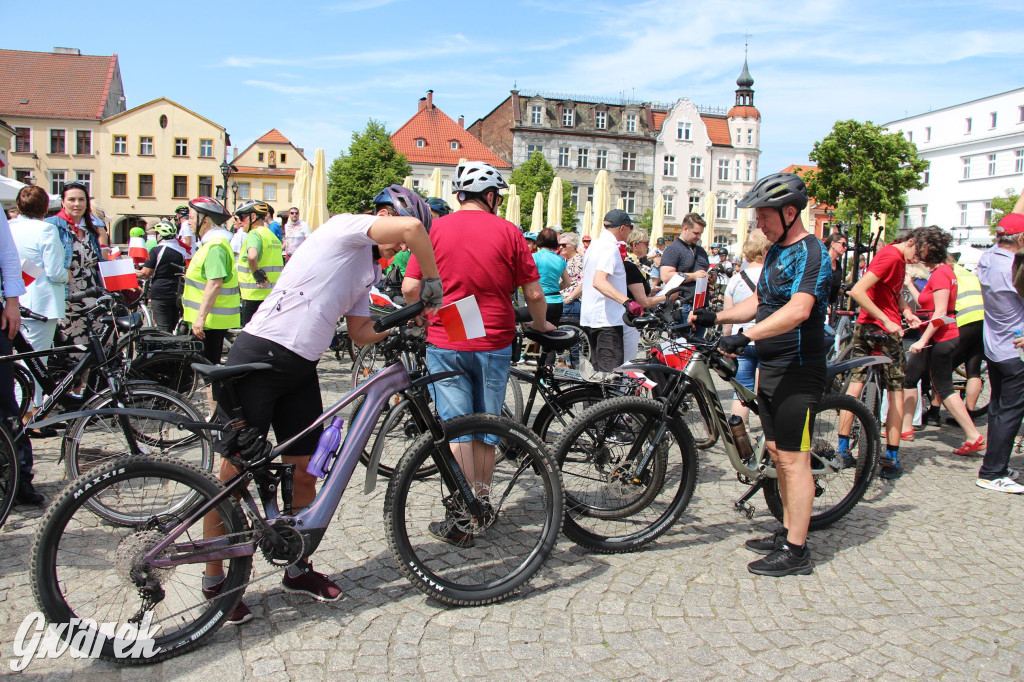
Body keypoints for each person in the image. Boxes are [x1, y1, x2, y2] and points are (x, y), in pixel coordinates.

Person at [204, 184, 442, 623]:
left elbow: (360, 334)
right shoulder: (345, 228)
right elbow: (411, 229)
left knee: (305, 468)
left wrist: (407, 323)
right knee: (232, 476)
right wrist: (432, 283)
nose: (398, 254)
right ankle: (216, 580)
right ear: (387, 215)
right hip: (259, 356)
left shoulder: (364, 269)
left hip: (300, 367)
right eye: (398, 245)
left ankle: (297, 566)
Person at [403, 161, 554, 546]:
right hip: (494, 337)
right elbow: (534, 294)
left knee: (456, 424)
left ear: (458, 195)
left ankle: (463, 512)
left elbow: (408, 288)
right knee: (488, 424)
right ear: (490, 196)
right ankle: (482, 505)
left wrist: (426, 315)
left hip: (448, 334)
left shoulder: (433, 229)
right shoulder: (509, 231)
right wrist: (540, 325)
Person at [691, 173, 832, 577]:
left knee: (793, 460)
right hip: (770, 368)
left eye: (764, 217)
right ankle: (788, 529)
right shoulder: (774, 252)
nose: (759, 225)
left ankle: (797, 551)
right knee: (777, 453)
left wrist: (746, 336)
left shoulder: (813, 252)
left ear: (790, 212)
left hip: (799, 369)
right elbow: (760, 301)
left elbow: (799, 309)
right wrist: (717, 315)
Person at [843, 231, 922, 479]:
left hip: (869, 325)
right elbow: (857, 291)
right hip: (880, 327)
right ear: (911, 241)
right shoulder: (891, 257)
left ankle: (843, 450)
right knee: (896, 390)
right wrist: (888, 320)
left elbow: (891, 290)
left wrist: (906, 311)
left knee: (856, 382)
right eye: (917, 253)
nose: (916, 259)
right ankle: (892, 456)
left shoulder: (893, 257)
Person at [901, 230, 983, 457]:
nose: (917, 251)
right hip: (936, 336)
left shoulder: (942, 274)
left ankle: (973, 435)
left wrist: (923, 340)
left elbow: (940, 313)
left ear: (930, 250)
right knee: (910, 378)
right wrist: (909, 286)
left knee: (944, 387)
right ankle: (906, 428)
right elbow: (926, 304)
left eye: (921, 247)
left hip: (941, 338)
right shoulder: (940, 273)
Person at [10, 186, 68, 425]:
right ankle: (28, 415)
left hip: (15, 300)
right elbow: (54, 271)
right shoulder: (46, 229)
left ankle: (21, 410)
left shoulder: (10, 227)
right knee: (35, 362)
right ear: (46, 207)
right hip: (40, 302)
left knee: (16, 361)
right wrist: (67, 275)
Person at [975, 212, 1024, 493]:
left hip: (994, 346)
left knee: (997, 409)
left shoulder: (988, 259)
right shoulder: (1013, 268)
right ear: (1019, 238)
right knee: (1010, 413)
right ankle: (992, 472)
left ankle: (998, 465)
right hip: (1015, 349)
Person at [46, 181, 107, 386]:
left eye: (81, 199)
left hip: (91, 297)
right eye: (72, 199)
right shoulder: (53, 226)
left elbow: (97, 262)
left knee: (94, 347)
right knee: (74, 350)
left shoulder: (90, 227)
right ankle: (72, 392)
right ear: (63, 202)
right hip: (68, 299)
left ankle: (89, 392)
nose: (77, 204)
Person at [580, 209, 644, 373]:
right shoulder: (610, 248)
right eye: (630, 228)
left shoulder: (595, 245)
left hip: (592, 317)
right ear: (623, 228)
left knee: (595, 373)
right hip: (606, 320)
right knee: (609, 376)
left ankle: (592, 399)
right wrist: (627, 301)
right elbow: (599, 281)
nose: (630, 232)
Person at [181, 197, 239, 365]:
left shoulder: (215, 246)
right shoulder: (210, 244)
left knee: (207, 369)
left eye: (191, 217)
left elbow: (215, 283)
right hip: (208, 320)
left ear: (204, 220)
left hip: (210, 321)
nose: (188, 222)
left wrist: (200, 318)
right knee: (205, 368)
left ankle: (214, 392)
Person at [722, 230, 771, 422]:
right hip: (766, 338)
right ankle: (768, 432)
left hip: (740, 341)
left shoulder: (735, 279)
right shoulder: (771, 276)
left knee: (741, 391)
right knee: (765, 390)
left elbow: (728, 319)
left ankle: (739, 431)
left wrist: (727, 343)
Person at [233, 200, 284, 326]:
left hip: (253, 295)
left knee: (249, 339)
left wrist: (256, 272)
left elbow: (252, 256)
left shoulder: (254, 234)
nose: (240, 222)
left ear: (253, 217)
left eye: (242, 218)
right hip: (270, 295)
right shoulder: (271, 236)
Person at [623, 227, 666, 363]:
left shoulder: (636, 264)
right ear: (635, 245)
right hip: (629, 319)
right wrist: (667, 297)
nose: (648, 247)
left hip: (631, 317)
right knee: (628, 361)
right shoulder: (630, 265)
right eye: (646, 244)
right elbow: (643, 301)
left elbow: (637, 290)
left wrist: (651, 291)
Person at [138, 220, 188, 333]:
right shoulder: (183, 250)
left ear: (159, 235)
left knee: (163, 328)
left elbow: (145, 273)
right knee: (174, 325)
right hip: (178, 292)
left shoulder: (157, 250)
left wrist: (132, 271)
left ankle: (166, 349)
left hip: (160, 292)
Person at [950, 260, 985, 414]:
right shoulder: (968, 273)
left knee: (943, 368)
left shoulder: (947, 272)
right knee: (974, 370)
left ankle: (934, 412)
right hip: (982, 319)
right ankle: (970, 411)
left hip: (963, 320)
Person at [657, 213, 710, 307]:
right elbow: (666, 276)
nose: (699, 237)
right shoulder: (673, 249)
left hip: (702, 303)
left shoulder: (701, 250)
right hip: (683, 305)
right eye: (696, 233)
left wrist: (710, 277)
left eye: (700, 233)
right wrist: (694, 276)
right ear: (685, 229)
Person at [533, 228, 569, 326]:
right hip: (557, 302)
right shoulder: (560, 259)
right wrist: (555, 288)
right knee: (551, 337)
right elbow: (567, 283)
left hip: (540, 302)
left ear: (539, 239)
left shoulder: (534, 257)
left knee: (518, 318)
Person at [558, 232, 584, 323]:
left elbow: (583, 284)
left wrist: (569, 299)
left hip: (572, 303)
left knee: (569, 333)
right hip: (563, 302)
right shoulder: (565, 260)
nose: (561, 247)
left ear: (573, 246)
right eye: (559, 245)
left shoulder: (579, 260)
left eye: (563, 245)